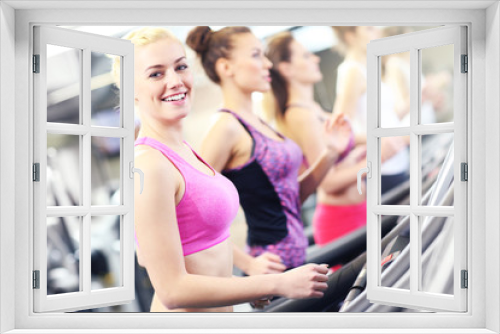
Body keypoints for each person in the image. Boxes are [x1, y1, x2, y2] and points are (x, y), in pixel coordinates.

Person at [113, 27, 330, 312]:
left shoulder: (184, 151)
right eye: (156, 74)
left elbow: (202, 251)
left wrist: (243, 284)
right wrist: (275, 283)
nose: (175, 81)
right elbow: (172, 290)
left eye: (180, 67)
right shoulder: (148, 164)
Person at [186, 26, 352, 271]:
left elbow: (289, 199)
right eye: (256, 55)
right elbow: (191, 219)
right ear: (226, 68)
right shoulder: (225, 128)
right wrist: (249, 264)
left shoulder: (258, 122)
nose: (267, 64)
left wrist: (330, 154)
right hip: (272, 271)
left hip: (297, 262)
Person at [264, 31, 367, 247]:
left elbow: (344, 147)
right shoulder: (299, 115)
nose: (316, 59)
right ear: (286, 68)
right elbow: (328, 182)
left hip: (359, 209)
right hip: (341, 219)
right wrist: (374, 163)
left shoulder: (313, 109)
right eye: (306, 56)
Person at [331, 26, 409, 194]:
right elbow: (340, 131)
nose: (378, 32)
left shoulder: (369, 69)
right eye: (369, 29)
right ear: (351, 36)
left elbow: (385, 117)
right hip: (382, 168)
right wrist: (385, 139)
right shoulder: (352, 71)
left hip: (396, 161)